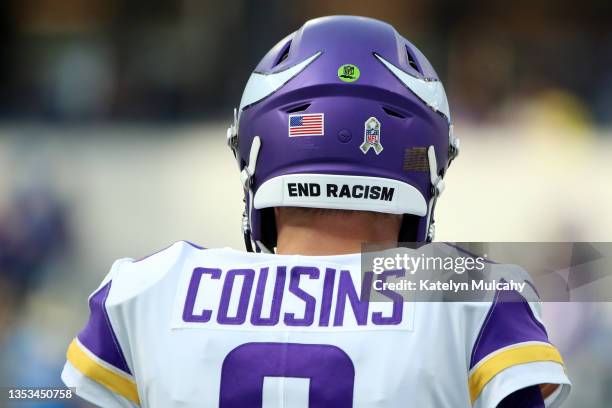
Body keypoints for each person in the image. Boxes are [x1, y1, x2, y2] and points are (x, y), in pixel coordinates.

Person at [61, 15, 570, 407]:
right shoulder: (472, 296)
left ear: (258, 150)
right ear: (426, 161)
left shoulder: (146, 291)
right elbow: (579, 274)